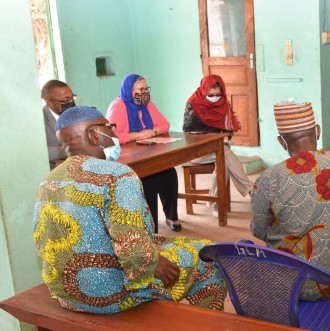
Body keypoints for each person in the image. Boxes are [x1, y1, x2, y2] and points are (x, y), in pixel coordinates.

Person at [32, 106, 226, 314]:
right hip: (111, 294)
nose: (114, 133)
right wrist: (154, 265)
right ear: (93, 135)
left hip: (66, 292)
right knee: (208, 259)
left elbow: (43, 239)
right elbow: (135, 254)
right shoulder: (118, 175)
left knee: (197, 244)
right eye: (109, 127)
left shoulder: (48, 181)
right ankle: (210, 323)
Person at [250, 101, 330, 301]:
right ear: (317, 131)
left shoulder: (268, 179)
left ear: (282, 142)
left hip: (288, 286)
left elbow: (259, 230)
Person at [106, 74, 182, 232]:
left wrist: (152, 132)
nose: (145, 92)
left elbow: (164, 124)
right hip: (127, 157)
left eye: (146, 88)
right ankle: (151, 226)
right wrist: (138, 135)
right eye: (141, 89)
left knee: (169, 173)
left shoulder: (147, 105)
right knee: (149, 180)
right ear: (129, 90)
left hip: (148, 151)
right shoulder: (118, 106)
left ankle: (171, 216)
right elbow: (112, 136)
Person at [183, 74, 253, 217]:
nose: (215, 97)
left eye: (217, 94)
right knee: (225, 154)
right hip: (197, 151)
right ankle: (252, 191)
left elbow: (229, 131)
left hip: (218, 150)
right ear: (203, 91)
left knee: (224, 160)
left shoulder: (223, 104)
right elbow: (187, 132)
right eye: (211, 95)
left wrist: (225, 137)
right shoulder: (193, 103)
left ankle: (214, 202)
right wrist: (211, 137)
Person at [41, 79, 76, 169]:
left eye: (72, 97)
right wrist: (72, 149)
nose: (71, 102)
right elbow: (41, 151)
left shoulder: (76, 114)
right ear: (50, 103)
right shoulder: (40, 122)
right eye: (65, 100)